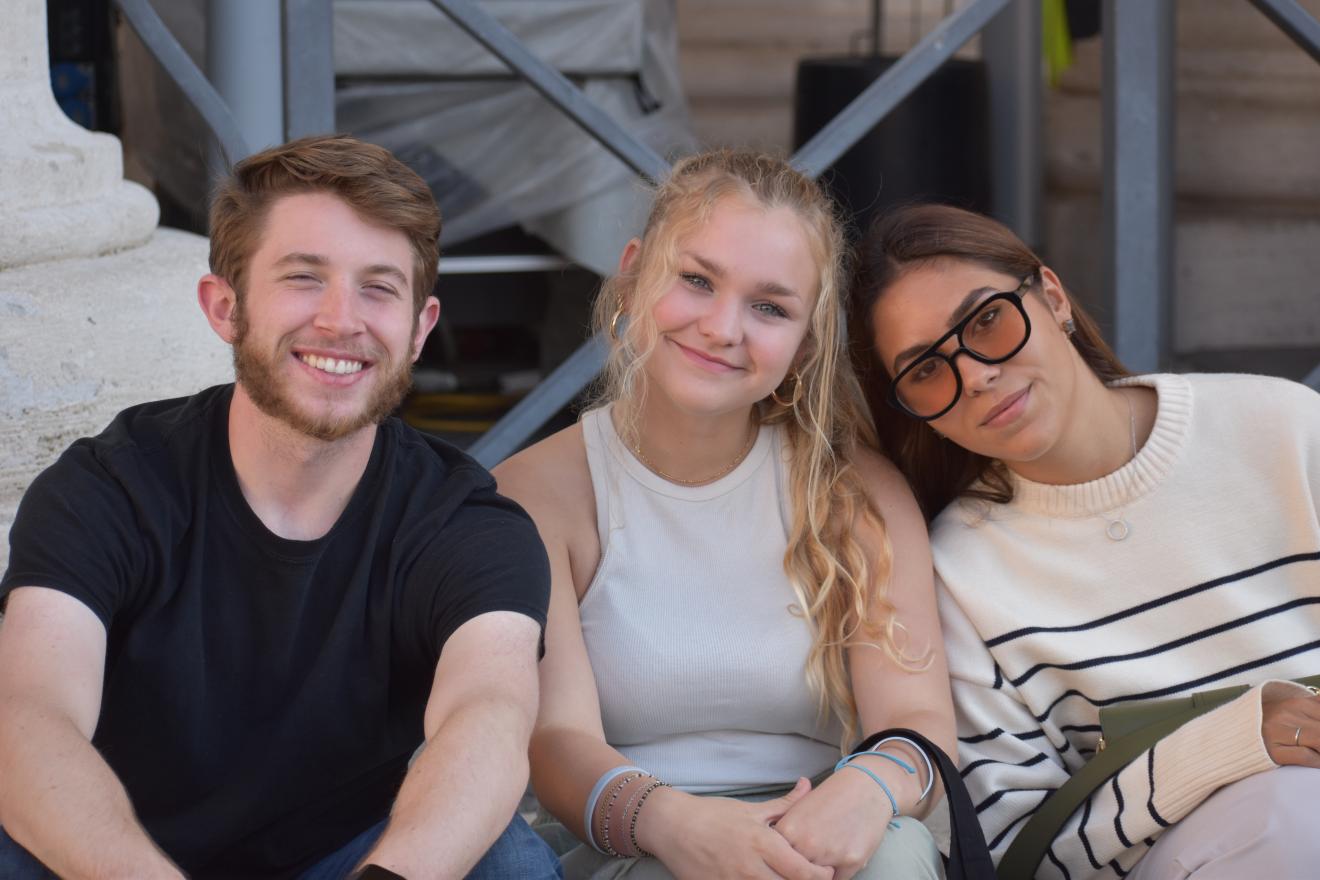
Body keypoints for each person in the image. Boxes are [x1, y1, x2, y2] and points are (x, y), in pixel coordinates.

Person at [0, 135, 561, 880]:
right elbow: (30, 719)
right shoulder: (110, 488)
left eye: (378, 287)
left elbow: (487, 717)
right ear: (225, 307)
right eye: (304, 277)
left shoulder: (463, 521)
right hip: (111, 854)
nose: (341, 319)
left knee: (505, 866)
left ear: (421, 328)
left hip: (347, 858)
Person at [494, 150, 955, 880]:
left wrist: (869, 789)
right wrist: (678, 824)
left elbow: (919, 722)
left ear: (806, 342)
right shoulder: (535, 494)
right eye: (697, 280)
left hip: (824, 838)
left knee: (895, 857)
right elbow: (555, 743)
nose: (721, 326)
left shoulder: (854, 490)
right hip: (633, 846)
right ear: (635, 272)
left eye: (769, 306)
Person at [848, 202, 1320, 879]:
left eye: (987, 321)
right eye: (926, 369)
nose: (976, 374)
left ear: (1053, 298)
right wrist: (1233, 747)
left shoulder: (1282, 428)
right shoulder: (959, 577)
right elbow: (1021, 855)